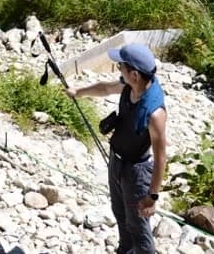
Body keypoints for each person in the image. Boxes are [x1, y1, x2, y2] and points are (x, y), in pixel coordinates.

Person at [70, 42, 169, 254]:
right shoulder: (130, 85)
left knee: (139, 228)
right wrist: (78, 91)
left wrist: (152, 197)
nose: (118, 71)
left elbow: (161, 159)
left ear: (134, 74)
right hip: (117, 162)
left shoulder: (155, 114)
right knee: (120, 214)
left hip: (137, 172)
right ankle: (124, 250)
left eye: (120, 66)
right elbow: (105, 88)